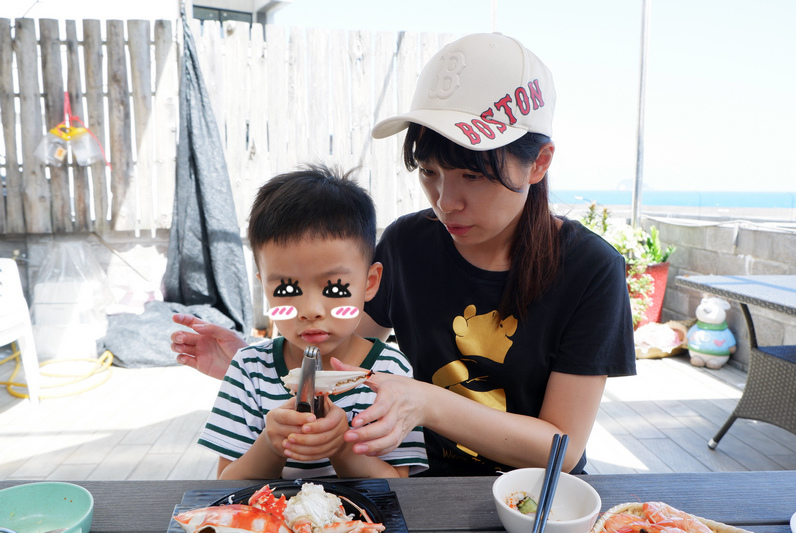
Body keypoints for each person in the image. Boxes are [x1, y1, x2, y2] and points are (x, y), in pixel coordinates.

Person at [172, 33, 636, 476]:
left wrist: (428, 401)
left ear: (539, 162)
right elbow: (345, 352)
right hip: (419, 484)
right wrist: (260, 362)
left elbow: (564, 449)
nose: (445, 200)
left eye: (471, 176)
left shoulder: (590, 270)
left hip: (534, 493)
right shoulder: (407, 243)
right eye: (430, 171)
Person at [193, 164, 428, 480]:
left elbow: (399, 485)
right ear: (265, 288)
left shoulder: (390, 373)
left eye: (334, 288)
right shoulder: (249, 369)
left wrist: (342, 446)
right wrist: (272, 444)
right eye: (286, 289)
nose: (311, 309)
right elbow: (226, 483)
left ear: (370, 283)